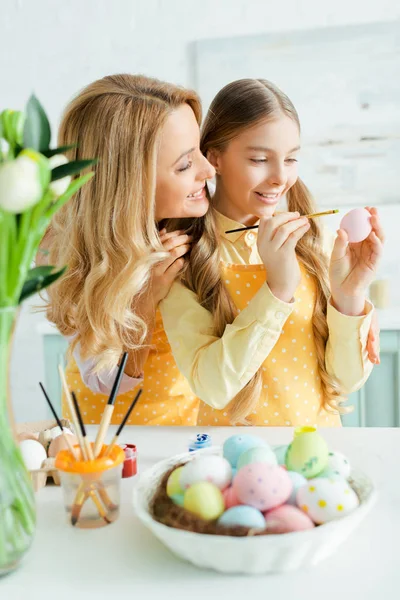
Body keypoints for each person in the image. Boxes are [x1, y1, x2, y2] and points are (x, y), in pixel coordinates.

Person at [159, 78, 383, 427]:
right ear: (214, 157)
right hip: (233, 461)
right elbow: (213, 387)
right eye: (260, 159)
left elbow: (345, 380)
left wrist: (349, 296)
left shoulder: (312, 241)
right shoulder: (181, 257)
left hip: (318, 454)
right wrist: (277, 290)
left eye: (291, 159)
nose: (281, 177)